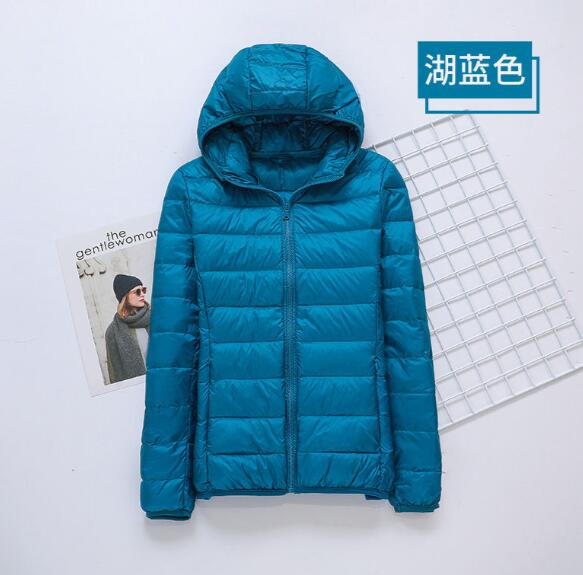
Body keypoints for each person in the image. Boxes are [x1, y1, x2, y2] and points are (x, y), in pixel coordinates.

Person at [104, 274, 151, 384]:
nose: (142, 294)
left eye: (143, 290)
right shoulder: (113, 332)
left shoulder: (156, 318)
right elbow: (115, 372)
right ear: (125, 297)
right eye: (137, 291)